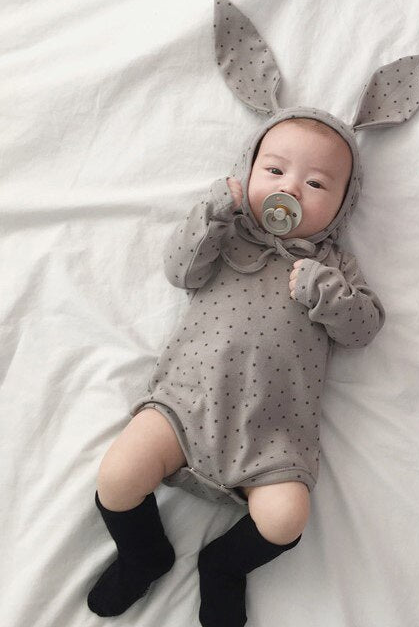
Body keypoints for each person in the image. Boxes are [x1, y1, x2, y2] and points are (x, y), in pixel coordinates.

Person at [87, 115, 386, 627]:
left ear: (344, 204)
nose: (291, 188)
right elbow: (179, 270)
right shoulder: (227, 235)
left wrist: (327, 293)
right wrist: (213, 212)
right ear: (247, 172)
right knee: (117, 476)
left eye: (316, 184)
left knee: (286, 519)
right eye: (274, 170)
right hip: (185, 405)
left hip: (273, 435)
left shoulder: (334, 267)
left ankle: (223, 566)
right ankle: (144, 554)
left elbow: (364, 329)